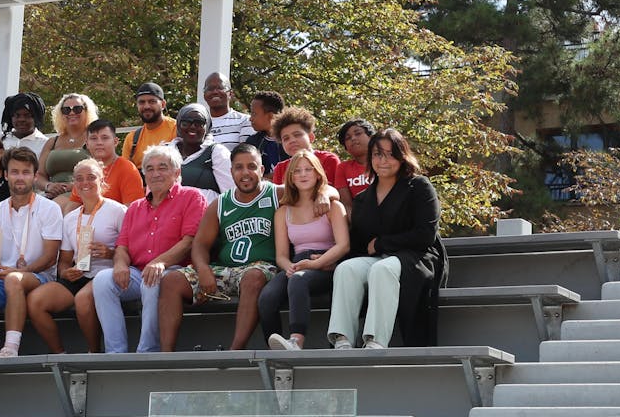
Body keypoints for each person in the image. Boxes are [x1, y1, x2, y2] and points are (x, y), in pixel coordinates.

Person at [328, 128, 444, 349]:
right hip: (381, 258)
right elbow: (360, 243)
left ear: (402, 157)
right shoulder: (363, 199)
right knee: (347, 269)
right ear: (370, 158)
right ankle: (342, 339)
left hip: (417, 257)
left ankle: (375, 341)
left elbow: (425, 235)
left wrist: (382, 244)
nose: (383, 160)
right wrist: (329, 261)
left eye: (390, 154)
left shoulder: (419, 186)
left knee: (382, 269)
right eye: (377, 154)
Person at [158, 143, 277, 351]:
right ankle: (166, 354)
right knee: (171, 280)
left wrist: (324, 195)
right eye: (239, 167)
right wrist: (203, 269)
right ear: (231, 172)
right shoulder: (221, 203)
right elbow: (200, 244)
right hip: (225, 270)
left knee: (253, 277)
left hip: (261, 268)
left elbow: (319, 188)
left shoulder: (276, 194)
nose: (245, 172)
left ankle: (235, 351)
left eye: (252, 166)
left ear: (261, 169)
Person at [93, 145, 206, 353]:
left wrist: (160, 262)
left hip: (176, 271)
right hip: (139, 271)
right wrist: (119, 264)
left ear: (177, 172)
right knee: (102, 281)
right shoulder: (135, 207)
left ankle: (147, 350)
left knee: (151, 280)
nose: (155, 174)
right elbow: (122, 246)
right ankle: (115, 353)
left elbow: (189, 241)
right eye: (150, 169)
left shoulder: (191, 197)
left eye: (162, 167)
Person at [27, 158, 127, 353]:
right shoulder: (71, 218)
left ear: (102, 181)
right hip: (79, 276)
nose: (85, 183)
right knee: (35, 301)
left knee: (82, 300)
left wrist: (110, 252)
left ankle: (93, 353)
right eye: (79, 179)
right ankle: (60, 354)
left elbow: (132, 252)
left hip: (105, 275)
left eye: (91, 177)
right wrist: (66, 273)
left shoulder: (118, 211)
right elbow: (64, 262)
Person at [0, 146, 63, 357]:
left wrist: (15, 272)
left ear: (34, 176)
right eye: (14, 172)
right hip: (0, 278)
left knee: (13, 279)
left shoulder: (49, 208)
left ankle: (10, 349)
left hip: (39, 276)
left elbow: (50, 258)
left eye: (25, 172)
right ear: (6, 175)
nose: (20, 177)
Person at [260, 150, 350, 351]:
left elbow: (344, 245)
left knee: (299, 279)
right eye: (297, 171)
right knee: (267, 297)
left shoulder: (333, 206)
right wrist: (289, 267)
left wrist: (317, 263)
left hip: (327, 262)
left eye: (308, 169)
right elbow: (281, 255)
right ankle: (274, 348)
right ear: (290, 178)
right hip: (297, 262)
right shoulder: (283, 211)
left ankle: (296, 341)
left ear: (318, 173)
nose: (303, 174)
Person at [37, 93, 98, 213]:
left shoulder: (94, 138)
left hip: (81, 192)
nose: (71, 113)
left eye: (77, 108)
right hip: (51, 194)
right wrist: (49, 186)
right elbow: (39, 175)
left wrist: (72, 186)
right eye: (66, 110)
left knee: (54, 209)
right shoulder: (52, 142)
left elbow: (103, 168)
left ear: (87, 111)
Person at [169, 103, 235, 204]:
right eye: (185, 123)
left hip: (207, 216)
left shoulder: (217, 152)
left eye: (199, 123)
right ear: (178, 125)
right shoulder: (165, 151)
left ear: (207, 126)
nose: (192, 127)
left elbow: (230, 194)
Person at [73, 119, 144, 205]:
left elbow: (133, 209)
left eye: (105, 138)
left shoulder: (127, 168)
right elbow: (74, 203)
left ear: (115, 142)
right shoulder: (84, 169)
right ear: (87, 144)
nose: (99, 143)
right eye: (94, 138)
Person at [270, 107, 340, 186]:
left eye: (297, 135)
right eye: (286, 138)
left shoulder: (329, 160)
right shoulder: (280, 168)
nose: (292, 141)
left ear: (311, 137)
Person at [120, 82, 177, 170]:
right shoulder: (132, 138)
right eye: (142, 102)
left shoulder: (176, 128)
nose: (146, 106)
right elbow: (125, 172)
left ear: (163, 104)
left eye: (152, 101)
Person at [201, 72, 254, 149]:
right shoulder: (198, 125)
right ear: (204, 95)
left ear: (230, 94)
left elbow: (245, 155)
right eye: (210, 89)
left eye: (220, 88)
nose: (215, 92)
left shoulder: (245, 121)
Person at [335, 119, 376, 210]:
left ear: (371, 137)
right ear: (345, 147)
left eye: (358, 133)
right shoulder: (343, 168)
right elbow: (347, 205)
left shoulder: (385, 161)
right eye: (348, 138)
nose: (353, 138)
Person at [245, 91, 287, 172]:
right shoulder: (253, 143)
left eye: (254, 114)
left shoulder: (290, 140)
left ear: (271, 116)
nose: (250, 118)